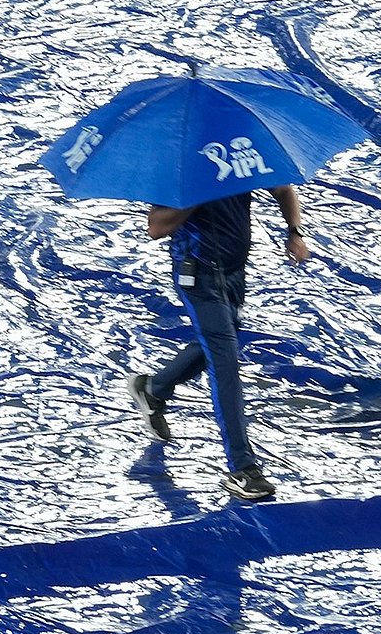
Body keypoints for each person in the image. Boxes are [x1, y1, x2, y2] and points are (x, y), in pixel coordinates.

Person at [126, 185, 308, 501]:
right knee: (225, 360)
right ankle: (243, 469)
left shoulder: (239, 150)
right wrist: (198, 192)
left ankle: (154, 388)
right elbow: (156, 227)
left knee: (219, 343)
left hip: (233, 273)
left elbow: (283, 189)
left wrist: (295, 232)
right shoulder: (184, 165)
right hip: (199, 274)